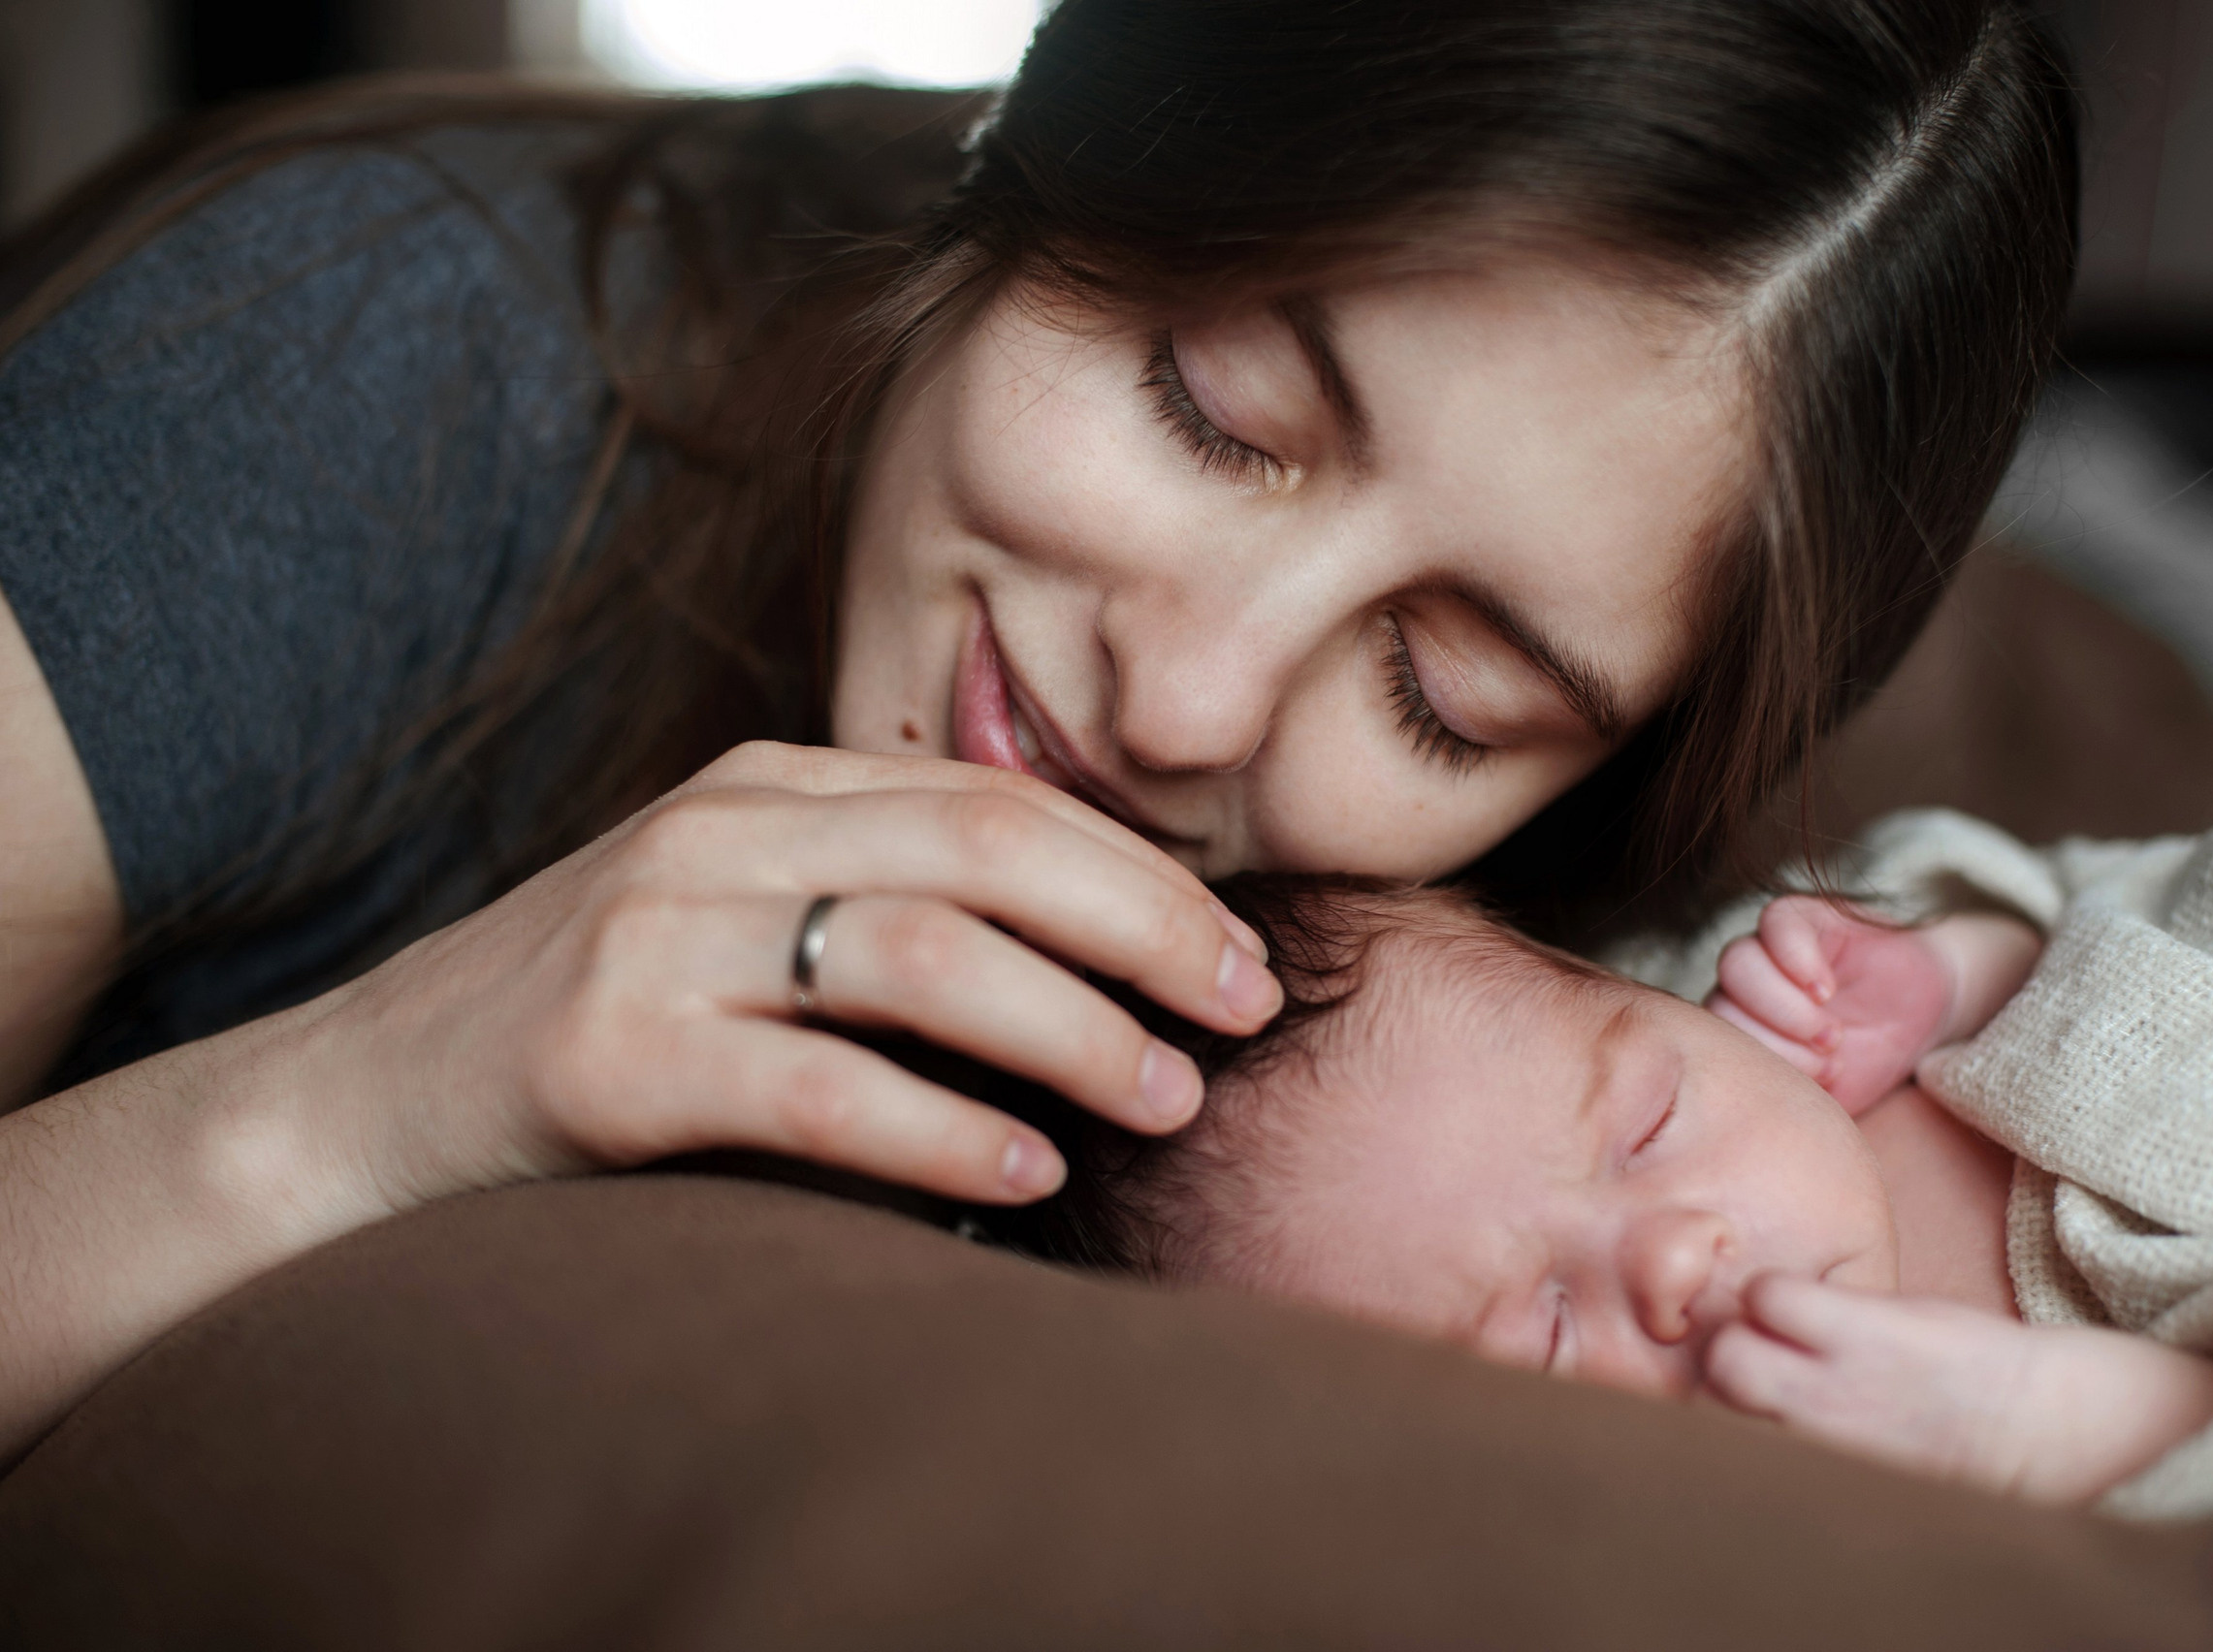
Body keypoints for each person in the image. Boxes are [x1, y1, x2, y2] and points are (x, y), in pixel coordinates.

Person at [0, 0, 2076, 1460]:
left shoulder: (1534, 1017)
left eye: (1446, 694)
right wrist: (365, 1098)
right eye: (1211, 415)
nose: (1178, 705)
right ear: (1056, 143)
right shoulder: (347, 360)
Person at [1025, 721, 2213, 1553]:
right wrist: (2056, 1432)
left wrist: (1948, 967)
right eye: (1538, 1333)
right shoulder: (1792, 1503)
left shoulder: (1751, 1004)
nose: (1667, 1254)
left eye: (1652, 1120)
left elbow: (2105, 888)